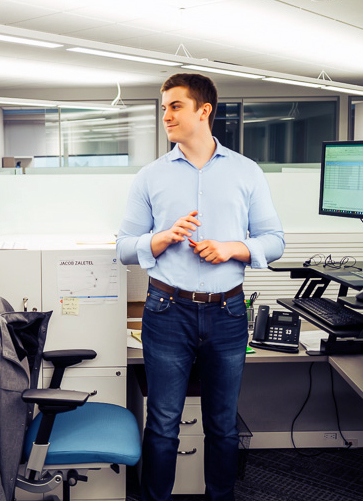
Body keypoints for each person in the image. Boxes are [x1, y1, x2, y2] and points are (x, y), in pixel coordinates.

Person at [117, 74, 284, 501]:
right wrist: (163, 237)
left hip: (227, 312)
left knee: (223, 426)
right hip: (166, 311)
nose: (166, 114)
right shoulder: (151, 176)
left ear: (203, 110)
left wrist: (232, 248)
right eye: (164, 107)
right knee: (162, 424)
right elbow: (123, 248)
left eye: (175, 106)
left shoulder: (246, 172)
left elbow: (274, 240)